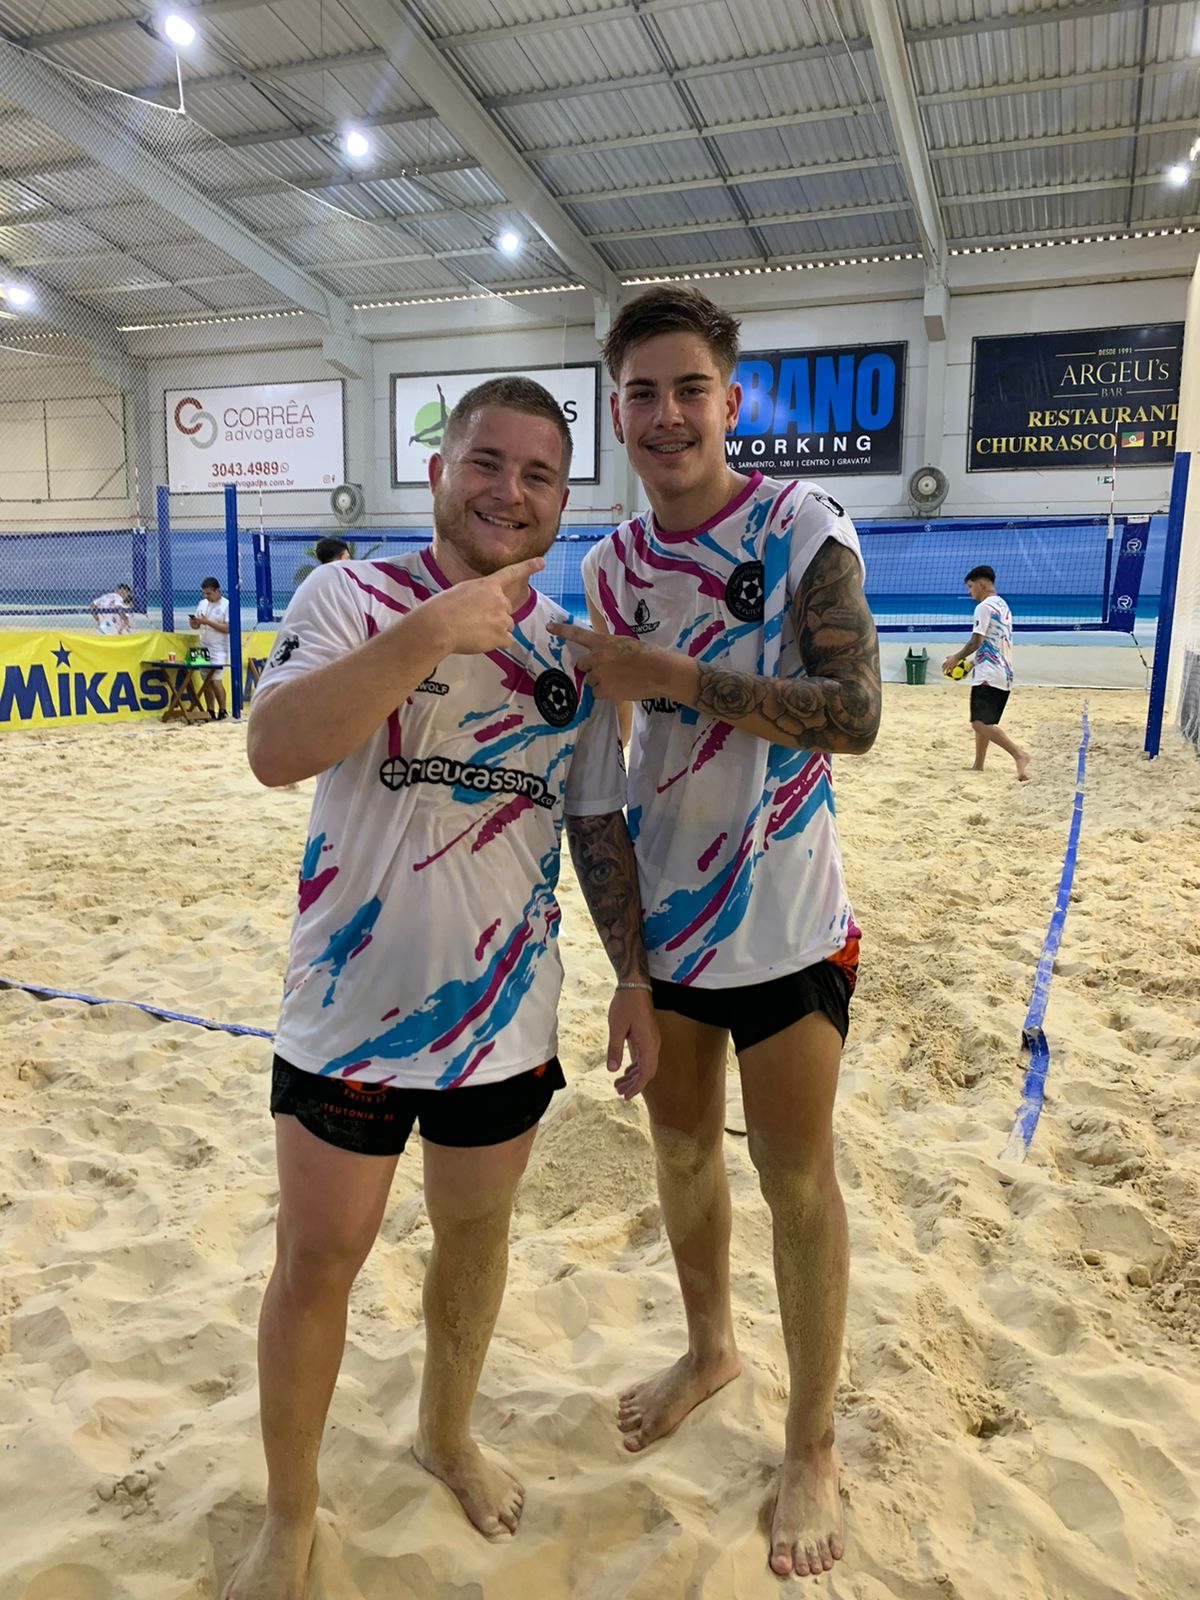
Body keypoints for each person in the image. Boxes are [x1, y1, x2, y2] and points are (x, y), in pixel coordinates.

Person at [228, 377, 658, 1599]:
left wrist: (632, 974)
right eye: (486, 462)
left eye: (538, 474)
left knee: (473, 1238)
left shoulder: (570, 653)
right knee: (319, 1258)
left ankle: (445, 1432)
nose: (509, 492)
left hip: (504, 1020)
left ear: (563, 501)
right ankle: (291, 1514)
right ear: (437, 471)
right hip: (347, 1016)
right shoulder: (349, 597)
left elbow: (595, 823)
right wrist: (427, 634)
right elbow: (274, 750)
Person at [547, 285, 881, 1581]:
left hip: (790, 930)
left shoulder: (801, 526)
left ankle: (811, 1443)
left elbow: (855, 714)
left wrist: (676, 677)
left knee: (797, 1182)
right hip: (673, 938)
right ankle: (710, 1348)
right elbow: (599, 788)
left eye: (690, 388)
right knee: (683, 1156)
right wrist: (627, 970)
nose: (668, 414)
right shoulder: (608, 570)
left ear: (730, 402)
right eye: (643, 393)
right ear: (616, 412)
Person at [942, 564, 1029, 781]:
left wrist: (956, 658)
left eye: (970, 587)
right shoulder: (1003, 606)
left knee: (979, 723)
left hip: (989, 674)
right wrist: (972, 664)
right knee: (984, 722)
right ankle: (978, 764)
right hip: (1004, 673)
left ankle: (1019, 755)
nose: (969, 592)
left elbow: (976, 641)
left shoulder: (984, 607)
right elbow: (993, 643)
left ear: (981, 584)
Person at [188, 577, 230, 721]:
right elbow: (196, 626)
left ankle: (223, 709)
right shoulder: (202, 604)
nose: (206, 596)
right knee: (206, 680)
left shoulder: (226, 605)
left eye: (209, 593)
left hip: (219, 648)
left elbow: (227, 628)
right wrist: (194, 622)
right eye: (204, 593)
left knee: (216, 680)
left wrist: (207, 622)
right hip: (203, 645)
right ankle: (210, 710)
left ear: (217, 591)